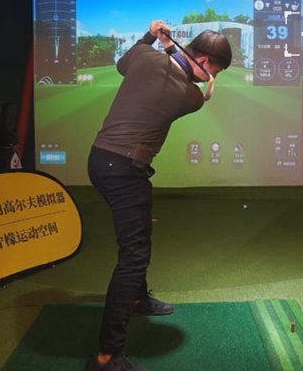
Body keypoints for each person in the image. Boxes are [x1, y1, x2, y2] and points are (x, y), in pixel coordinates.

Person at [86, 20, 232, 371]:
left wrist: (153, 37)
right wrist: (202, 79)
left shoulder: (142, 56)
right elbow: (190, 84)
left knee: (140, 234)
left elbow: (131, 63)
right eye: (216, 72)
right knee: (133, 257)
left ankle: (138, 298)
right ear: (205, 63)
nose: (213, 78)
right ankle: (107, 355)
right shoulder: (191, 97)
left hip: (102, 160)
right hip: (123, 169)